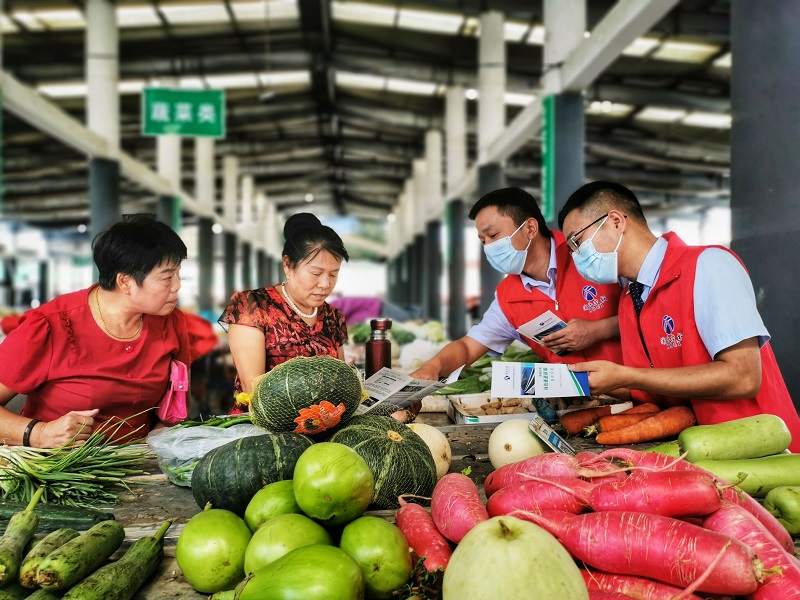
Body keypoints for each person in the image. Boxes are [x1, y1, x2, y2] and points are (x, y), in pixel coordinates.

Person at [558, 180, 800, 451]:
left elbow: (743, 377)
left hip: (762, 449)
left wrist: (627, 376)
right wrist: (586, 380)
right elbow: (652, 387)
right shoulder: (630, 301)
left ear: (615, 221)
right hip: (700, 451)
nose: (576, 256)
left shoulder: (709, 266)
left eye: (577, 242)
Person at [0, 214, 190, 448]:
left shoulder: (171, 323)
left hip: (138, 465)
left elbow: (177, 403)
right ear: (125, 282)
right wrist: (39, 434)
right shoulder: (50, 326)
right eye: (168, 277)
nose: (178, 285)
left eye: (178, 274)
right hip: (60, 467)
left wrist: (163, 436)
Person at [411, 186, 623, 391]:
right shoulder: (507, 298)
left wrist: (598, 331)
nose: (489, 247)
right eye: (483, 241)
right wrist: (433, 366)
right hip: (582, 400)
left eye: (493, 235)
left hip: (636, 386)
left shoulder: (590, 254)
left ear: (530, 228)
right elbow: (467, 348)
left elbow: (650, 311)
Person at [219, 213, 349, 413]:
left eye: (334, 274)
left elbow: (341, 384)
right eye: (316, 273)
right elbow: (253, 390)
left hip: (324, 426)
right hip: (261, 429)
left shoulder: (333, 317)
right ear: (287, 265)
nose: (325, 284)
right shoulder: (253, 307)